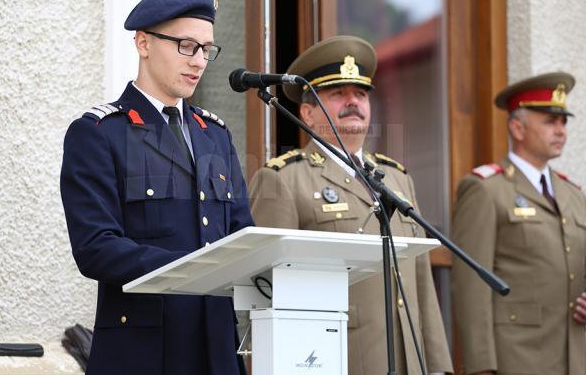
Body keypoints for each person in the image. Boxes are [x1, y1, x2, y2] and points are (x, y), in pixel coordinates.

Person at [60, 0, 253, 374]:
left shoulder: (214, 134)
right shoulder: (100, 133)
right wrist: (198, 268)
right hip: (145, 353)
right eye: (186, 45)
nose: (199, 61)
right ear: (144, 43)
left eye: (206, 49)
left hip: (218, 352)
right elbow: (96, 247)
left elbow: (241, 235)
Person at [248, 35, 452, 375]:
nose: (352, 101)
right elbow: (270, 294)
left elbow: (420, 282)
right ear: (308, 113)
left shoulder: (396, 179)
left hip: (409, 359)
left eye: (360, 94)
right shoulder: (283, 179)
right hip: (339, 358)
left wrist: (438, 366)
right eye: (337, 94)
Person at [452, 72, 586, 374]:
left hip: (575, 358)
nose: (561, 131)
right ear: (517, 127)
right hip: (518, 359)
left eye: (564, 122)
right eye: (550, 121)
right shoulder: (486, 189)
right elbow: (472, 286)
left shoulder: (574, 195)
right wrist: (481, 366)